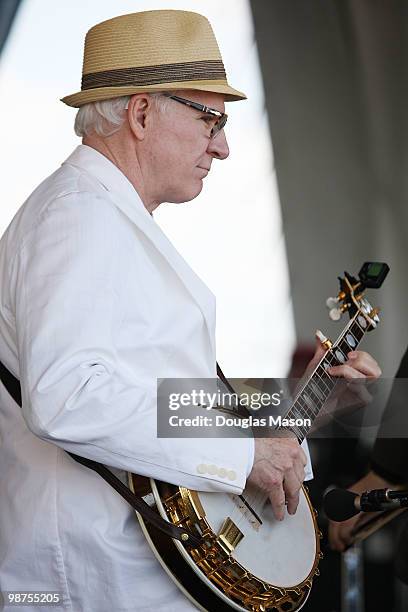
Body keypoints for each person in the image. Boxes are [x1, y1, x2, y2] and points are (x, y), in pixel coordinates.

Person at [0, 10, 380, 612]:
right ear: (143, 112)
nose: (223, 146)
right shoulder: (77, 218)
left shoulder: (103, 216)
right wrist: (243, 455)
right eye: (212, 119)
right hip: (89, 577)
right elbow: (66, 393)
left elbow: (159, 395)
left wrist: (288, 403)